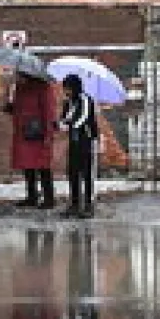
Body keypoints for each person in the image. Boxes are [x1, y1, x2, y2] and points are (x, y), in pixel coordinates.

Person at [5, 71, 58, 209]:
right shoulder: (20, 87)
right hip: (24, 132)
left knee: (43, 166)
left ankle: (48, 198)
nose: (18, 76)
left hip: (38, 132)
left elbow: (49, 112)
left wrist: (48, 134)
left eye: (20, 74)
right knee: (28, 166)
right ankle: (32, 196)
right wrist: (10, 107)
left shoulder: (44, 87)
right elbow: (19, 107)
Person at [57, 74, 98, 219]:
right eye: (65, 88)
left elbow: (83, 118)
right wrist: (60, 123)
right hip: (73, 140)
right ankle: (74, 204)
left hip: (85, 139)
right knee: (72, 172)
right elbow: (65, 117)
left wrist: (68, 124)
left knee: (86, 173)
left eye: (68, 88)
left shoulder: (86, 100)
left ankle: (88, 204)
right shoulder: (68, 102)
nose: (66, 91)